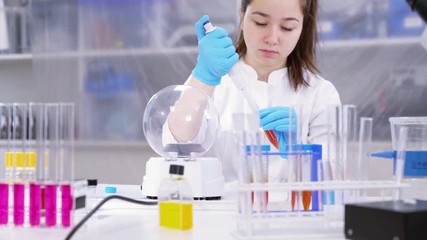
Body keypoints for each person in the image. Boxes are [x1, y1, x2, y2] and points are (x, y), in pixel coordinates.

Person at [167, 0, 341, 181]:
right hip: (220, 208)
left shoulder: (321, 93)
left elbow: (329, 181)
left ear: (302, 28)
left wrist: (299, 152)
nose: (272, 39)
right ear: (242, 16)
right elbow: (174, 146)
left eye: (287, 27)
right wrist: (203, 78)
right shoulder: (212, 80)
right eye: (261, 23)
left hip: (290, 209)